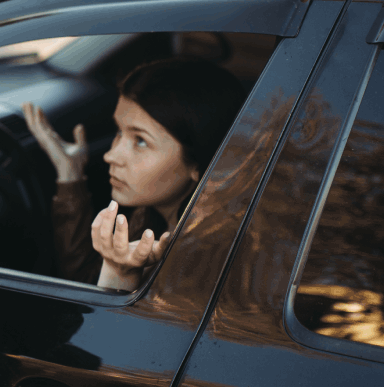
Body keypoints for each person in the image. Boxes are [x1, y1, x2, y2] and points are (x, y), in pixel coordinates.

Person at [23, 57, 245, 291]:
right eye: (119, 131)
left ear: (199, 164)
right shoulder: (151, 214)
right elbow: (86, 280)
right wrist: (70, 173)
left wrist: (121, 275)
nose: (111, 156)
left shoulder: (200, 266)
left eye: (140, 141)